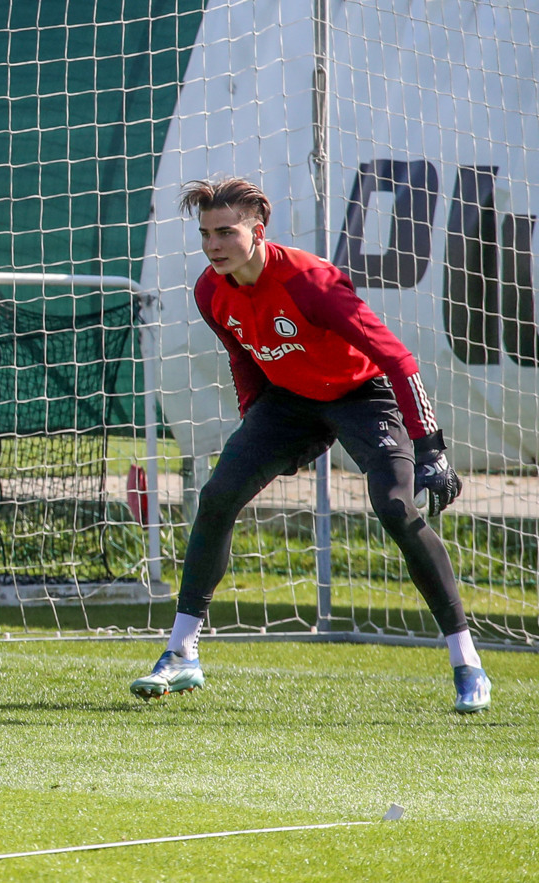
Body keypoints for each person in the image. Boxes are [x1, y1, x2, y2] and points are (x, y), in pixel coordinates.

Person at [130, 176, 490, 713]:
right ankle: (181, 653)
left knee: (396, 507)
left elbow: (397, 359)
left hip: (362, 397)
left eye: (226, 232)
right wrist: (259, 429)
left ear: (258, 229)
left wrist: (430, 448)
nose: (213, 245)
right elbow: (242, 355)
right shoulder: (210, 291)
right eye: (206, 234)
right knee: (218, 495)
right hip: (288, 403)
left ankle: (467, 662)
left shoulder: (310, 281)